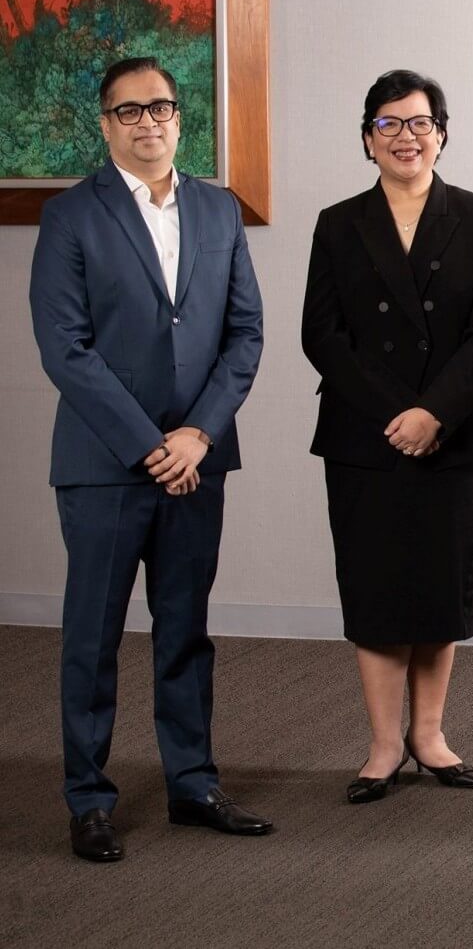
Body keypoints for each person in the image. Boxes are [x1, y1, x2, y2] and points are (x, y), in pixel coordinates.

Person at [29, 57, 269, 862]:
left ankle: (193, 783)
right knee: (92, 636)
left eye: (160, 107)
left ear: (179, 116)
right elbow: (65, 349)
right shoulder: (71, 216)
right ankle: (89, 799)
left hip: (198, 460)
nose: (148, 122)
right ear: (106, 125)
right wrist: (148, 443)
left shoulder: (217, 208)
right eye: (129, 111)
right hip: (105, 463)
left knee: (186, 629)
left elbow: (245, 335)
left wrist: (197, 433)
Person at [301, 70, 473, 805]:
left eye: (420, 122)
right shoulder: (337, 222)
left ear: (442, 133)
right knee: (376, 583)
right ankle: (383, 745)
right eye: (389, 124)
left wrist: (435, 413)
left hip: (457, 430)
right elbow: (321, 335)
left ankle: (429, 734)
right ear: (368, 139)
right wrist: (398, 413)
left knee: (440, 582)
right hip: (367, 434)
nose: (406, 136)